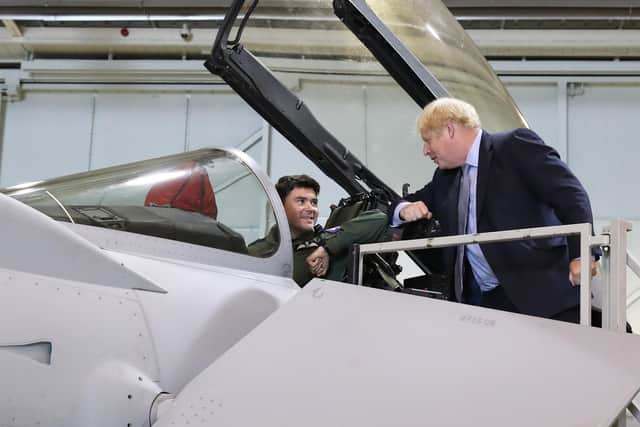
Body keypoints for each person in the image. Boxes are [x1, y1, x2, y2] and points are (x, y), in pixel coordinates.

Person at [390, 97, 598, 322]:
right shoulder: (445, 177)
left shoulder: (514, 145)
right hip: (484, 303)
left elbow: (570, 195)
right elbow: (409, 202)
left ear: (450, 129)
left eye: (428, 141)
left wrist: (582, 254)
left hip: (543, 295)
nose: (425, 151)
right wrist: (403, 210)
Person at [249, 174, 388, 287]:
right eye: (301, 201)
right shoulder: (256, 251)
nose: (310, 208)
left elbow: (379, 219)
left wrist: (327, 249)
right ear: (280, 207)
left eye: (314, 202)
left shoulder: (326, 241)